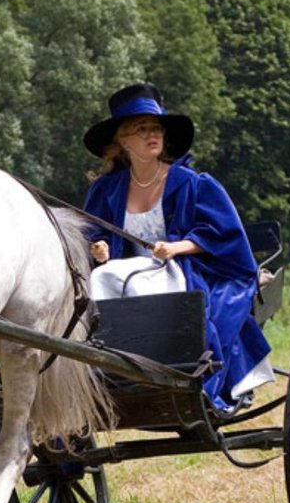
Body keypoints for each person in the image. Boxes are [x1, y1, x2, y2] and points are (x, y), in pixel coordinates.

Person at [82, 82, 273, 412]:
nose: (151, 134)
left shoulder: (192, 183)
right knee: (101, 279)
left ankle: (157, 365)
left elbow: (224, 234)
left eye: (155, 127)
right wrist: (98, 248)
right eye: (141, 129)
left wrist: (177, 248)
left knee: (141, 284)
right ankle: (110, 366)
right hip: (128, 267)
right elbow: (91, 232)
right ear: (123, 141)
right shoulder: (107, 190)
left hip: (181, 270)